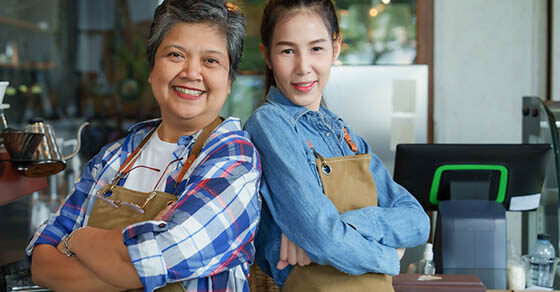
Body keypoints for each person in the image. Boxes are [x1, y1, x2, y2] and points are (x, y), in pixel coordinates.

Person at [26, 1, 261, 291]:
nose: (191, 72)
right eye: (176, 55)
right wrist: (132, 255)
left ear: (228, 82)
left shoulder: (234, 158)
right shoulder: (111, 159)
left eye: (210, 61)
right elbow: (41, 263)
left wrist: (78, 240)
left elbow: (157, 259)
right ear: (151, 70)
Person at [244, 0, 430, 290]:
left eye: (316, 48)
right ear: (267, 56)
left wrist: (348, 227)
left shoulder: (348, 137)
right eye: (287, 51)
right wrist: (389, 255)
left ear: (336, 48)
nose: (303, 67)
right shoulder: (269, 125)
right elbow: (324, 238)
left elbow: (418, 221)